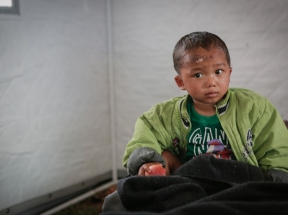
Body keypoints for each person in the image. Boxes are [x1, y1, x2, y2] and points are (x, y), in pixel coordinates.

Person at [102, 31, 288, 212]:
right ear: (180, 82)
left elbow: (276, 150)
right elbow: (145, 137)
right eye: (198, 75)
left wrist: (273, 183)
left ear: (229, 73)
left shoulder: (254, 107)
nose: (211, 82)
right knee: (121, 197)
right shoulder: (163, 115)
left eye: (218, 71)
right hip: (190, 182)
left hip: (238, 180)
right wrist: (148, 164)